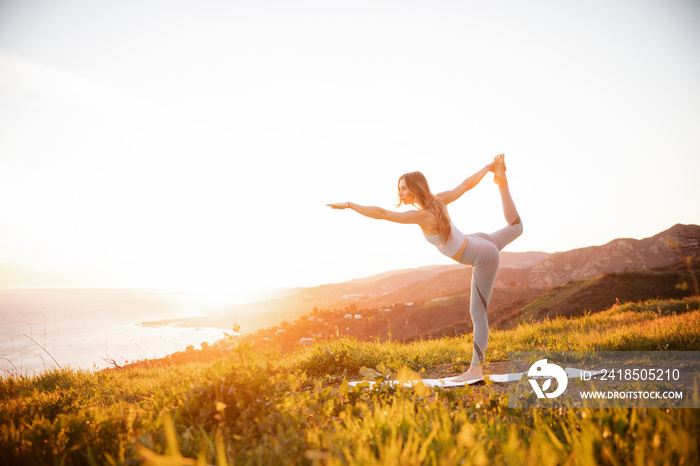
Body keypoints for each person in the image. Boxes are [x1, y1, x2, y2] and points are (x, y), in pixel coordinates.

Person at [327, 154, 523, 383]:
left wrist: (350, 205)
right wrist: (488, 168)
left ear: (414, 189)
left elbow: (381, 214)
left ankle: (476, 370)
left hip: (483, 255)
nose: (399, 193)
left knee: (477, 314)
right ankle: (502, 183)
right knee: (516, 226)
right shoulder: (438, 201)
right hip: (480, 241)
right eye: (399, 188)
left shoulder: (422, 216)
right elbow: (466, 185)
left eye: (403, 189)